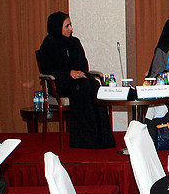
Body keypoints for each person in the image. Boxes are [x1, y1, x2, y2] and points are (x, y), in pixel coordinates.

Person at [37, 11, 115, 149]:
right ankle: (84, 138)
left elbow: (84, 64)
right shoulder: (49, 44)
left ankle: (102, 137)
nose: (71, 29)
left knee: (94, 85)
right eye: (67, 26)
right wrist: (68, 73)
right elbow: (47, 69)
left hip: (78, 81)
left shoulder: (75, 42)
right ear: (57, 27)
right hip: (60, 83)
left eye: (70, 25)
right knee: (84, 88)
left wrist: (79, 73)